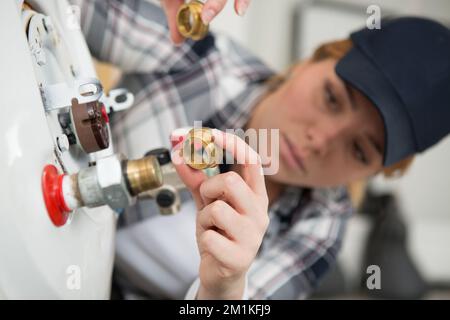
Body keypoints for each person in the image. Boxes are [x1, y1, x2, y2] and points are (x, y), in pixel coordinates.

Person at [71, 0, 450, 299]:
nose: (320, 139)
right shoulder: (204, 62)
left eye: (359, 150)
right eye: (332, 98)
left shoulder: (321, 223)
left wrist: (225, 286)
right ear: (311, 61)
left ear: (370, 174)